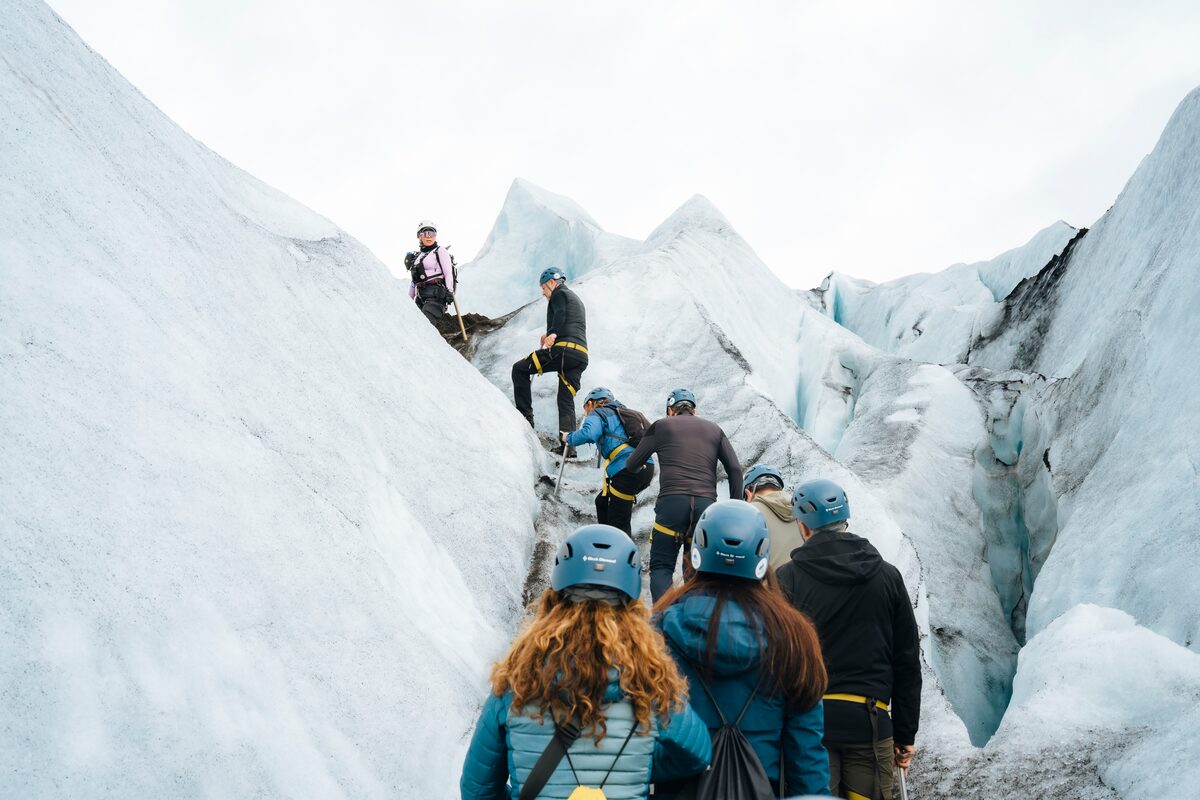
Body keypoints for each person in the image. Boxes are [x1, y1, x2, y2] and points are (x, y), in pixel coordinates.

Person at [460, 524, 712, 799]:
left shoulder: (516, 681)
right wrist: (641, 765)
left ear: (555, 596)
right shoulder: (651, 682)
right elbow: (698, 754)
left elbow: (476, 789)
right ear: (632, 605)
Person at [653, 500, 830, 798]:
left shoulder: (659, 629)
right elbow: (806, 752)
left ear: (696, 553)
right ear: (761, 557)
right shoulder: (794, 637)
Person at [775, 479, 921, 800]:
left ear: (803, 525)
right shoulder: (887, 576)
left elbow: (776, 660)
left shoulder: (786, 579)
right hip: (871, 723)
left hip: (810, 728)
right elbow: (906, 659)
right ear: (845, 518)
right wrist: (905, 732)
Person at [619, 388, 743, 602]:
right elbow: (734, 469)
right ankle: (694, 622)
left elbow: (632, 464)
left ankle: (664, 621)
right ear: (694, 411)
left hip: (672, 504)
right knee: (696, 568)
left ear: (670, 410)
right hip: (706, 507)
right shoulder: (714, 429)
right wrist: (737, 507)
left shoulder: (661, 426)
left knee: (661, 567)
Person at [563, 387, 655, 537]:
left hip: (627, 470)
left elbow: (589, 433)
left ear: (592, 403)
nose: (586, 412)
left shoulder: (598, 413)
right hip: (645, 468)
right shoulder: (623, 413)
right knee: (602, 501)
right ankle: (605, 538)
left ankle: (618, 552)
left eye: (586, 407)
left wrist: (569, 437)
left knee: (618, 523)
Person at [511, 268, 588, 443]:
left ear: (552, 283)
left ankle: (525, 421)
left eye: (544, 288)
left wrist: (553, 333)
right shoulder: (576, 299)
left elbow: (560, 313)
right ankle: (569, 446)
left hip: (564, 350)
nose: (544, 293)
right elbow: (569, 319)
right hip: (580, 356)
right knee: (565, 399)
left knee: (519, 369)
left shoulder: (559, 294)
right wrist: (549, 334)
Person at [742, 464, 804, 572]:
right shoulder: (803, 511)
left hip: (765, 588)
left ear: (747, 493)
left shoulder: (749, 513)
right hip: (801, 586)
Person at [405, 220, 456, 324]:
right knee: (413, 325)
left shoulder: (440, 251)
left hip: (435, 297)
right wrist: (408, 301)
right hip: (420, 298)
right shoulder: (417, 257)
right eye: (425, 233)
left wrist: (450, 291)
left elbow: (448, 272)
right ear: (419, 236)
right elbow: (414, 281)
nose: (429, 236)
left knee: (423, 325)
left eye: (432, 233)